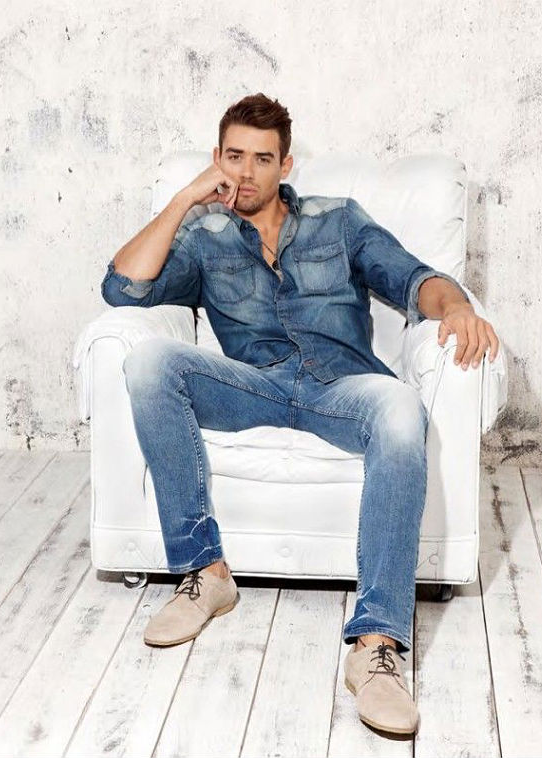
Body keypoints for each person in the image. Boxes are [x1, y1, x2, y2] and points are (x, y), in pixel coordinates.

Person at [100, 93, 499, 735]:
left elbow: (414, 278)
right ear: (217, 159)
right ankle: (204, 572)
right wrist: (184, 200)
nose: (246, 172)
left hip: (342, 388)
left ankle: (375, 648)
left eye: (262, 159)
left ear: (285, 164)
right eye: (234, 157)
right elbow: (123, 288)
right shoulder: (203, 236)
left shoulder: (337, 221)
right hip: (253, 385)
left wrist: (455, 306)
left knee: (401, 407)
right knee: (149, 363)